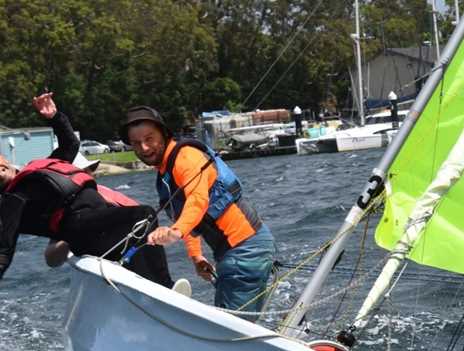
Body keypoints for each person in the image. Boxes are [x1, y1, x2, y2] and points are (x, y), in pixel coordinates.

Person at [0, 93, 174, 287]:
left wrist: (55, 117)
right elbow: (4, 252)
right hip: (81, 230)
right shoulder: (13, 200)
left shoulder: (40, 170)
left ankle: (152, 287)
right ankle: (161, 288)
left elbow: (71, 143)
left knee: (142, 221)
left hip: (100, 222)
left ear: (5, 160)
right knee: (143, 215)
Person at [120, 105, 276, 317]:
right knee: (231, 325)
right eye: (137, 143)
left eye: (150, 138)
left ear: (164, 135)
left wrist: (175, 232)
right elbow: (189, 218)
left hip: (246, 249)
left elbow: (197, 200)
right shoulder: (166, 173)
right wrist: (196, 257)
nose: (145, 148)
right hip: (232, 252)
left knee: (230, 331)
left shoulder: (187, 158)